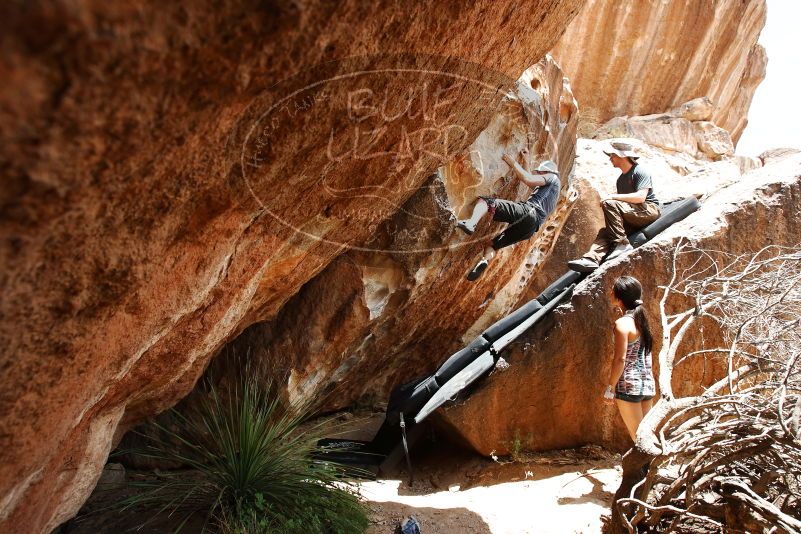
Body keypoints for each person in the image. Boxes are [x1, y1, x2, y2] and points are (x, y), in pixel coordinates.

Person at [456, 149, 560, 281]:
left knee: (487, 202)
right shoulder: (551, 192)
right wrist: (526, 160)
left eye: (540, 172)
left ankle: (470, 223)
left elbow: (528, 179)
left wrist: (512, 162)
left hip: (529, 212)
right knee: (492, 245)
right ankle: (484, 261)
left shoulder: (553, 177)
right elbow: (530, 179)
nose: (539, 174)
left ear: (546, 172)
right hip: (530, 229)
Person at [568, 142, 660, 273]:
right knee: (605, 232)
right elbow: (622, 207)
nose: (610, 158)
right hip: (632, 215)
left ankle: (622, 245)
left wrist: (612, 197)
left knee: (609, 203)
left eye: (612, 155)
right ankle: (591, 259)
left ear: (621, 156)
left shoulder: (640, 171)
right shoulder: (620, 180)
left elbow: (640, 198)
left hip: (648, 211)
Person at [603, 276, 656, 441]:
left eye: (613, 289)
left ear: (619, 297)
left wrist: (610, 388)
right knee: (647, 437)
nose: (610, 291)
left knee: (640, 440)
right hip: (647, 384)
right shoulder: (642, 321)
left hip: (628, 386)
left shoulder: (622, 324)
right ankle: (652, 466)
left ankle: (648, 467)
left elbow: (620, 359)